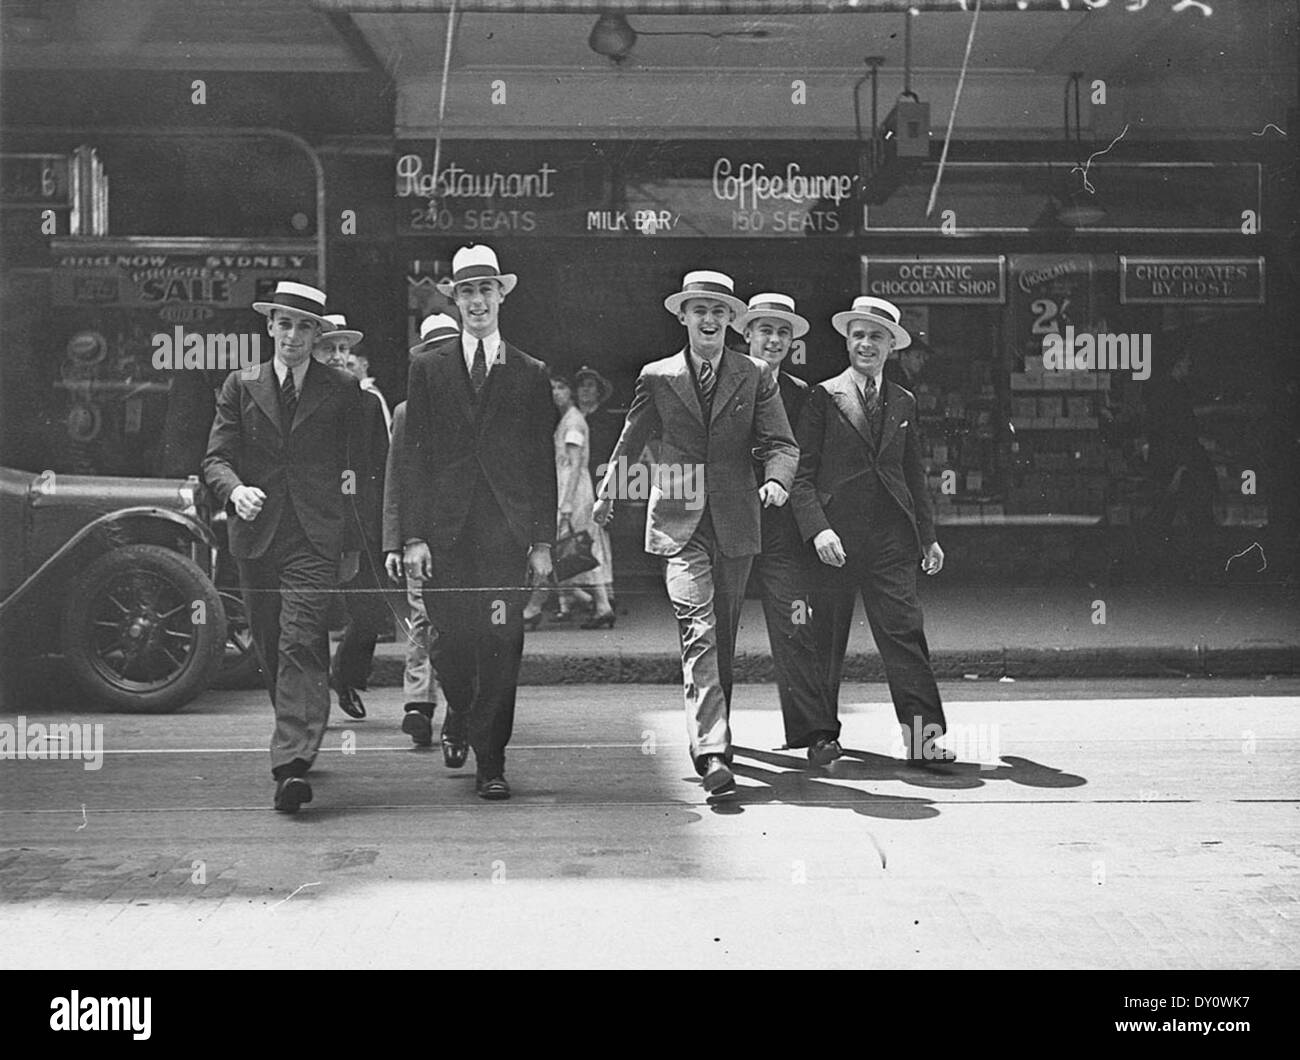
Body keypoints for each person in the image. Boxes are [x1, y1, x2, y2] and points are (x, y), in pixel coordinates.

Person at [594, 270, 798, 795]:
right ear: (682, 316)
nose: (709, 320)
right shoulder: (658, 376)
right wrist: (609, 493)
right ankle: (711, 751)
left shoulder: (754, 374)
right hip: (680, 515)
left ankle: (717, 734)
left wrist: (776, 482)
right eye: (699, 311)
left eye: (718, 312)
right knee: (698, 629)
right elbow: (631, 439)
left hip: (735, 519)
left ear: (731, 320)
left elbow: (782, 443)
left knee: (721, 635)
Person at [203, 281, 367, 813]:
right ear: (270, 326)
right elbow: (215, 458)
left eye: (305, 326)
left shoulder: (341, 388)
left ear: (318, 333)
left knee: (299, 639)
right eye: (285, 323)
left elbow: (356, 468)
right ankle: (297, 728)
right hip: (256, 536)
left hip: (314, 537)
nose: (293, 336)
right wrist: (235, 490)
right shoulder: (240, 383)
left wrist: (354, 539)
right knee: (272, 645)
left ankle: (291, 764)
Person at [399, 245, 556, 801]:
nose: (477, 301)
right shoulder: (427, 367)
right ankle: (460, 711)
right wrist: (412, 535)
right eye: (467, 292)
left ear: (501, 296)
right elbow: (412, 456)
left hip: (505, 537)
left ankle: (492, 760)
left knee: (501, 643)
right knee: (448, 641)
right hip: (444, 536)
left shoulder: (530, 373)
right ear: (457, 300)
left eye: (486, 290)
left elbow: (542, 464)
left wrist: (541, 541)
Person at [790, 296, 953, 768]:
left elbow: (912, 473)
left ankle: (925, 741)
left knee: (905, 634)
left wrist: (928, 536)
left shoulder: (903, 401)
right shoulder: (823, 396)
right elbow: (801, 475)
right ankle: (822, 737)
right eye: (858, 335)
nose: (866, 344)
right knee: (826, 639)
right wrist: (818, 530)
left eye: (876, 337)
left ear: (891, 347)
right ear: (847, 340)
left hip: (891, 541)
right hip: (835, 541)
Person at [736, 293, 842, 767]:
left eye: (783, 332)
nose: (774, 339)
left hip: (781, 534)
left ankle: (816, 733)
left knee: (797, 627)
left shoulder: (804, 395)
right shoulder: (723, 384)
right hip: (729, 525)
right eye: (765, 331)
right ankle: (712, 737)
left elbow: (809, 467)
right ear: (747, 335)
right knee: (714, 633)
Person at [383, 312, 459, 745]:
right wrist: (395, 541)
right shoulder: (407, 413)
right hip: (421, 538)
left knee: (456, 626)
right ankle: (418, 702)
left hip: (463, 539)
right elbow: (395, 479)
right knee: (421, 617)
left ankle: (453, 707)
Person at [313, 313, 391, 721]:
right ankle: (309, 706)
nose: (340, 358)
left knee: (370, 611)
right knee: (309, 620)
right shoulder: (301, 404)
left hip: (358, 527)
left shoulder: (367, 403)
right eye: (330, 349)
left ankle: (344, 676)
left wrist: (377, 532)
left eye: (345, 350)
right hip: (312, 527)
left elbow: (381, 466)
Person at [523, 371, 615, 630]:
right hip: (572, 489)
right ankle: (599, 604)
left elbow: (574, 465)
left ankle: (533, 607)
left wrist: (565, 504)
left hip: (573, 491)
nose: (556, 394)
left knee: (558, 547)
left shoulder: (573, 422)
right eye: (553, 389)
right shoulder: (568, 419)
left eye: (560, 388)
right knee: (577, 548)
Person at [575, 364, 621, 612]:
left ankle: (606, 593)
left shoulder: (604, 420)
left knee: (599, 537)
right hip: (578, 481)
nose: (585, 390)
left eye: (590, 385)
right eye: (581, 385)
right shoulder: (570, 416)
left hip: (597, 481)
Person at [345, 347, 392, 434]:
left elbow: (386, 431)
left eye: (350, 365)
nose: (346, 370)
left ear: (364, 365)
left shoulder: (372, 395)